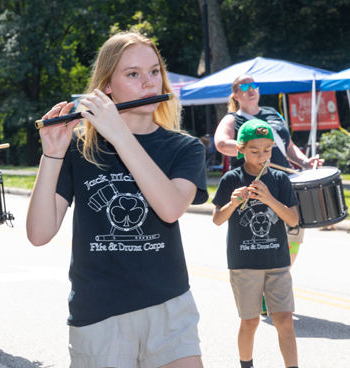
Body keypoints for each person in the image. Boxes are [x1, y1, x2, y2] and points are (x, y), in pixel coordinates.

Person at [27, 31, 208, 368]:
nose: (149, 83)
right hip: (99, 312)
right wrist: (51, 154)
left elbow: (169, 209)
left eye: (154, 72)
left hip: (169, 305)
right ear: (107, 87)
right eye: (133, 74)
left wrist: (120, 133)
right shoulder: (79, 149)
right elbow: (39, 233)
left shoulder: (184, 148)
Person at [214, 74, 323, 313]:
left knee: (293, 236)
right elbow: (221, 144)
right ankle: (259, 293)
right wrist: (255, 151)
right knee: (261, 238)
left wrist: (305, 162)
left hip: (284, 181)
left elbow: (289, 145)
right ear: (235, 94)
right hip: (253, 184)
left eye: (254, 85)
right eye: (245, 87)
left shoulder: (273, 113)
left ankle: (273, 284)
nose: (251, 89)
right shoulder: (233, 118)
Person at [212, 119, 300, 368]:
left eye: (267, 150)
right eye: (254, 151)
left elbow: (292, 219)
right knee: (250, 322)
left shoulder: (280, 180)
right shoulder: (231, 178)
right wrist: (233, 203)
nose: (262, 156)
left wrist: (269, 199)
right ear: (240, 149)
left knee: (285, 321)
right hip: (244, 263)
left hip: (277, 262)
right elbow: (218, 219)